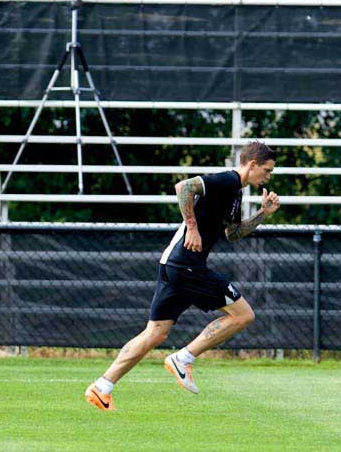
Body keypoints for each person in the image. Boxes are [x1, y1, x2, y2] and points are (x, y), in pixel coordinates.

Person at [85, 141, 279, 410]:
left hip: (174, 264)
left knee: (155, 333)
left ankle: (101, 387)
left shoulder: (236, 192)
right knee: (244, 314)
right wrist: (192, 228)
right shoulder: (227, 180)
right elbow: (184, 187)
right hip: (186, 264)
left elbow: (232, 234)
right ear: (253, 164)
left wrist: (262, 214)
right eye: (267, 171)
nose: (268, 177)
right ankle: (183, 358)